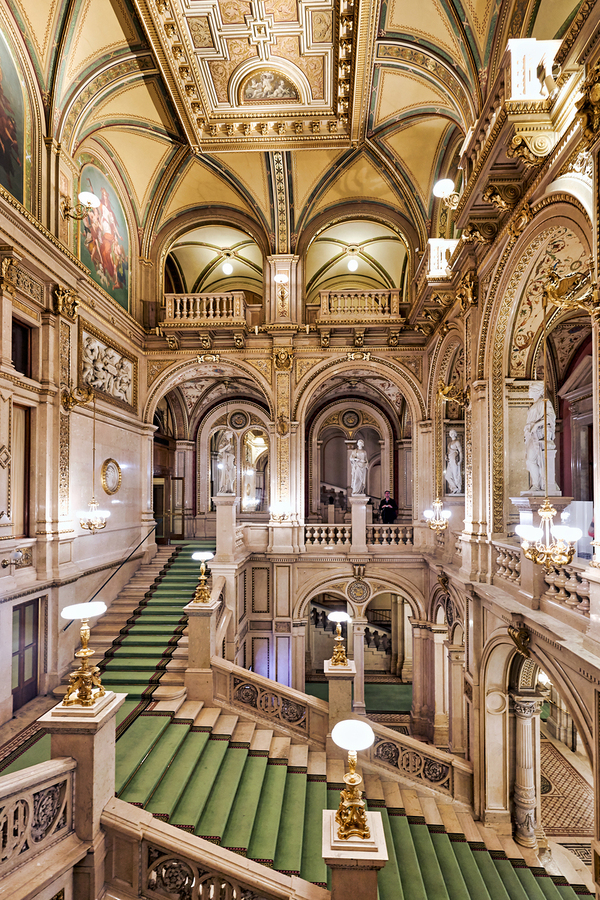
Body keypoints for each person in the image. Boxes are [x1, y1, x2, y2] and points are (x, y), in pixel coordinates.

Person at [524, 381, 556, 491]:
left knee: (533, 459)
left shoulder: (544, 403)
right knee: (530, 460)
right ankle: (536, 484)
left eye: (530, 391)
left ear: (537, 392)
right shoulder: (535, 405)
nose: (528, 393)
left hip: (538, 435)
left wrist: (536, 425)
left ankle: (537, 485)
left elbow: (550, 417)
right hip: (531, 435)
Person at [445, 430, 463, 494]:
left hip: (454, 460)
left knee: (455, 476)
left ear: (455, 434)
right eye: (450, 433)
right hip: (450, 460)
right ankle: (454, 488)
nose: (452, 434)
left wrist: (460, 461)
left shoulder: (457, 442)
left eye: (453, 433)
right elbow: (448, 452)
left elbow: (460, 452)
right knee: (447, 476)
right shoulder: (449, 443)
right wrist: (446, 456)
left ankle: (458, 489)